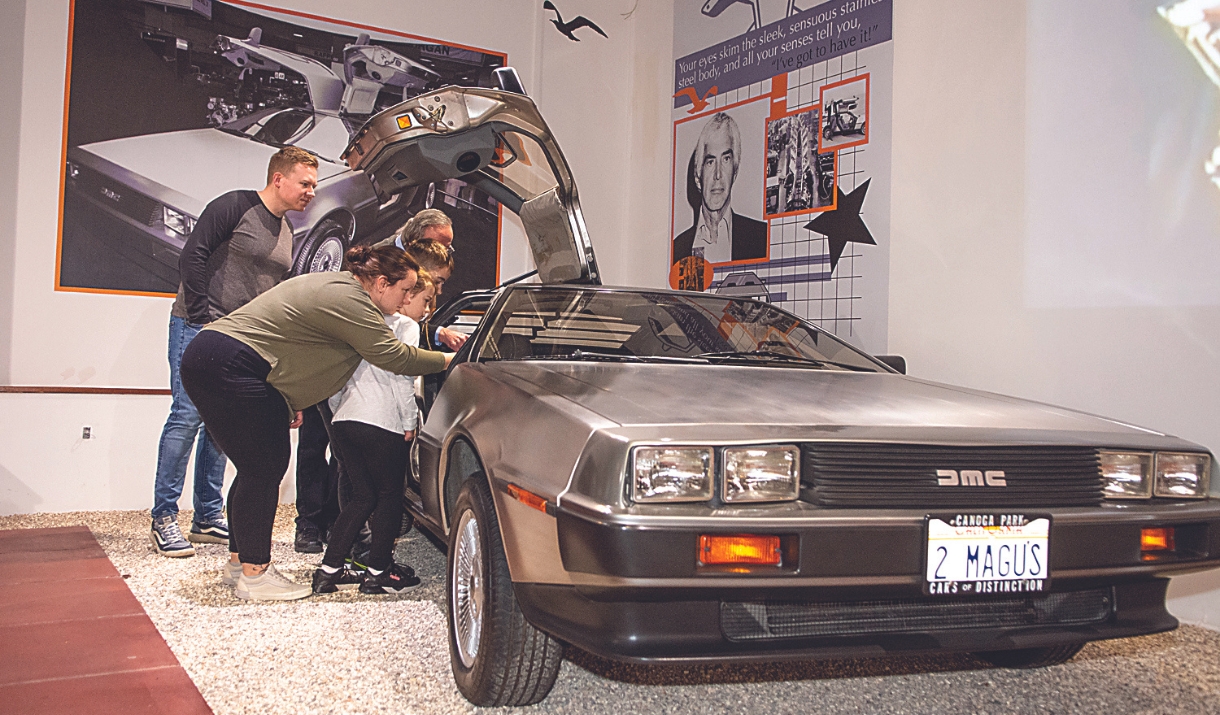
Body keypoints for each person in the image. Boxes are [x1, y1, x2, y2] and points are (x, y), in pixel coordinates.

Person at [180, 245, 452, 600]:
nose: (405, 300)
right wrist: (450, 359)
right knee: (264, 468)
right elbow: (392, 354)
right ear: (382, 283)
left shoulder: (338, 288)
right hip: (233, 363)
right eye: (404, 290)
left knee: (253, 469)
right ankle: (256, 574)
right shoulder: (352, 299)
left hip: (216, 358)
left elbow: (298, 346)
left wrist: (288, 398)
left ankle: (239, 564)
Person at [150, 146, 318, 558]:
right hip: (200, 327)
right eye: (305, 182)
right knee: (186, 417)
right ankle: (163, 517)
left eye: (314, 184)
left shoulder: (287, 231)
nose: (311, 192)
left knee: (220, 428)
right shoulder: (233, 206)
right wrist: (204, 317)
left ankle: (207, 516)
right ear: (279, 178)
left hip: (242, 341)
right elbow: (193, 256)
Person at [313, 270, 438, 595]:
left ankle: (328, 571)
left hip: (345, 421)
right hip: (382, 422)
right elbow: (402, 375)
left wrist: (342, 411)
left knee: (361, 497)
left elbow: (336, 376)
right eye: (423, 299)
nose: (424, 310)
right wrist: (410, 422)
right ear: (403, 294)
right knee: (388, 499)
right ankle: (377, 574)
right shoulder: (406, 328)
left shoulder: (364, 323)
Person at [672, 112, 767, 264]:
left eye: (726, 159)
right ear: (698, 177)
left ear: (734, 172)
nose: (718, 174)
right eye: (710, 162)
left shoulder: (761, 237)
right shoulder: (677, 249)